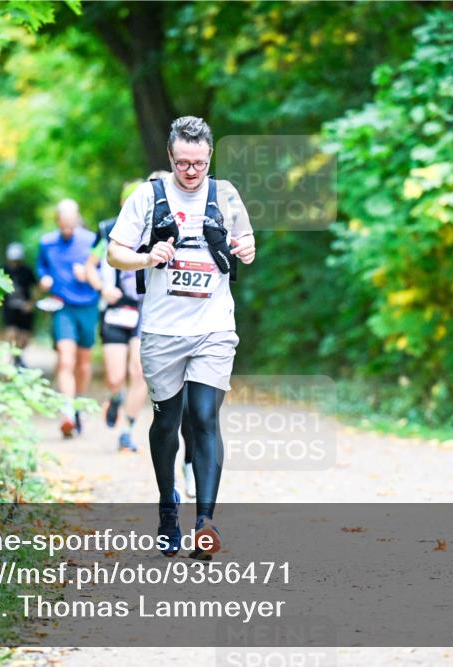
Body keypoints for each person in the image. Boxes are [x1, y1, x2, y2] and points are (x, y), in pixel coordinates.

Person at [107, 116, 256, 558]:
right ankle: (168, 506)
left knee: (205, 417)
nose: (192, 172)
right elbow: (116, 252)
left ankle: (205, 523)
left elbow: (246, 241)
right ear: (170, 158)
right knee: (168, 423)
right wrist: (147, 256)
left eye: (200, 164)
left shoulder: (225, 194)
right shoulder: (147, 197)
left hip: (213, 327)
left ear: (210, 158)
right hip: (162, 330)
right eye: (184, 164)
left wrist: (246, 249)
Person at [86, 180, 149, 453]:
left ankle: (127, 430)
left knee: (139, 371)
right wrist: (102, 287)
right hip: (114, 308)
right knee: (114, 377)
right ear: (124, 203)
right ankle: (114, 397)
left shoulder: (156, 229)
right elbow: (90, 267)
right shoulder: (107, 230)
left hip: (144, 309)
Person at [37, 199, 99, 438]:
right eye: (63, 225)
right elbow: (41, 266)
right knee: (65, 359)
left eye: (71, 225)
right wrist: (44, 278)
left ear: (77, 221)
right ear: (57, 221)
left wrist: (89, 274)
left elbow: (105, 268)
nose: (67, 230)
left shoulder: (91, 240)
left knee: (83, 364)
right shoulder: (47, 243)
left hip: (88, 305)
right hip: (61, 306)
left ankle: (78, 407)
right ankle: (66, 412)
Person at [2, 242, 36, 368]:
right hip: (9, 307)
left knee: (25, 336)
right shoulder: (3, 270)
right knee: (11, 333)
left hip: (25, 308)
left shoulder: (26, 271)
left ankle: (19, 356)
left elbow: (35, 287)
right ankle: (13, 358)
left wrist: (31, 303)